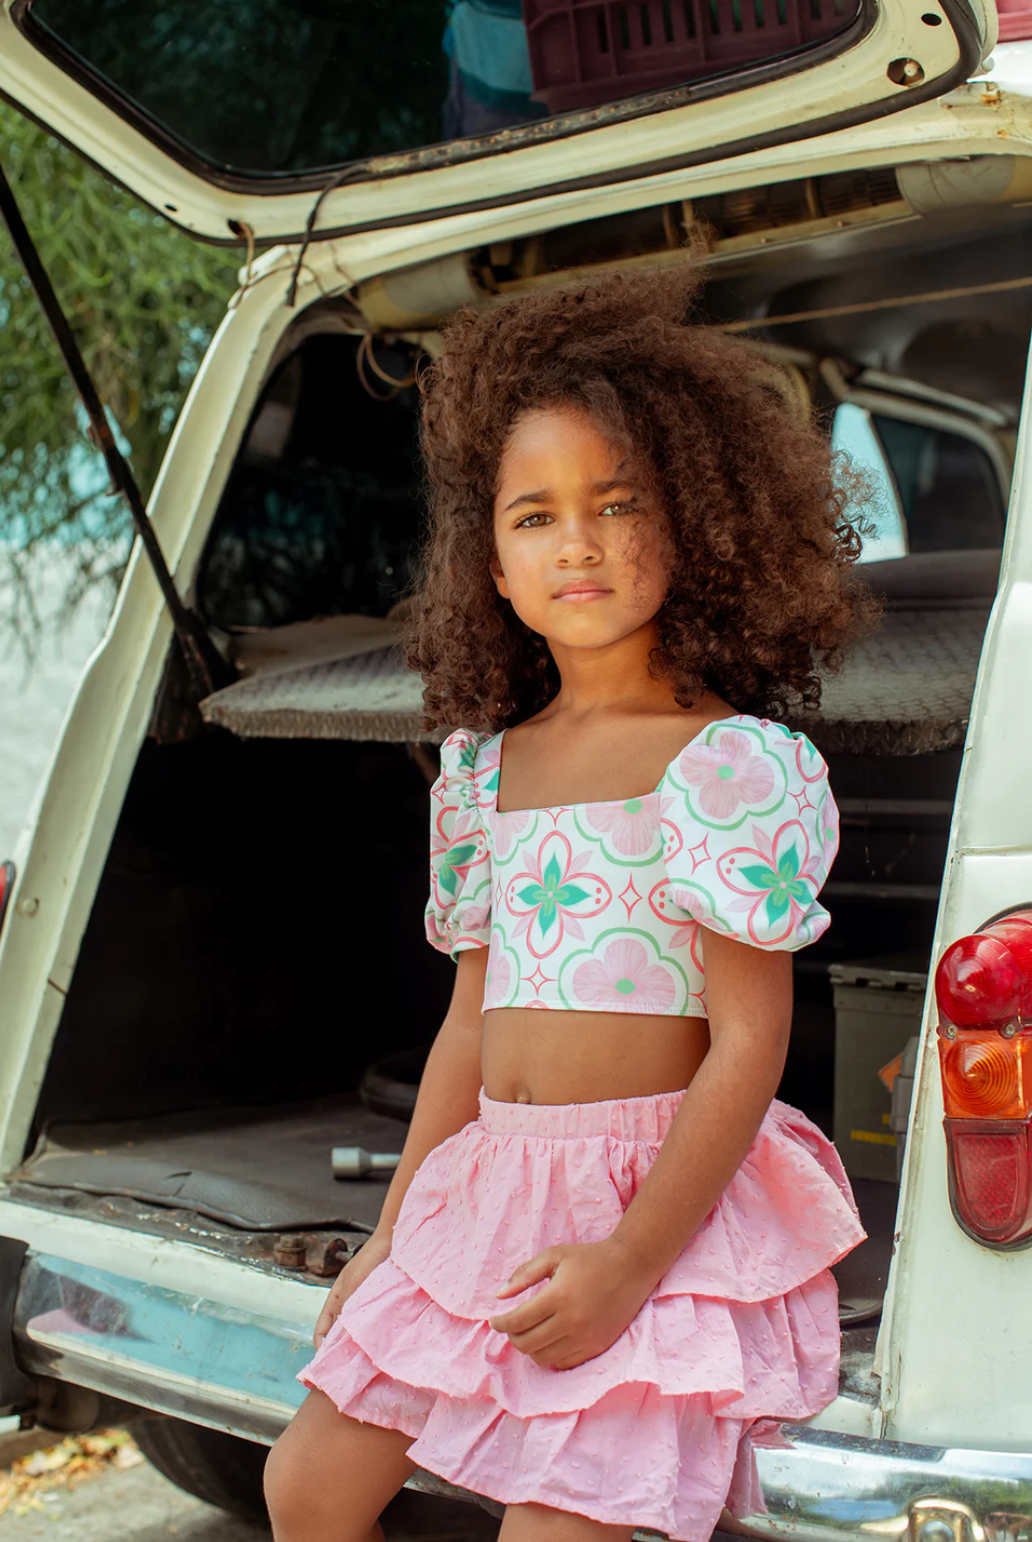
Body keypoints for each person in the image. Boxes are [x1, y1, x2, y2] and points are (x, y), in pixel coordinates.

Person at [264, 264, 875, 1542]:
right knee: (306, 1489)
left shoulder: (727, 764)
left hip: (651, 1204)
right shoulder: (483, 771)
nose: (578, 542)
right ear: (489, 559)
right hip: (486, 1188)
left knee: (562, 1527)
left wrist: (630, 1263)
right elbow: (466, 1026)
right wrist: (390, 1236)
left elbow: (750, 1045)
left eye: (616, 503)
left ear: (695, 524)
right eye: (534, 516)